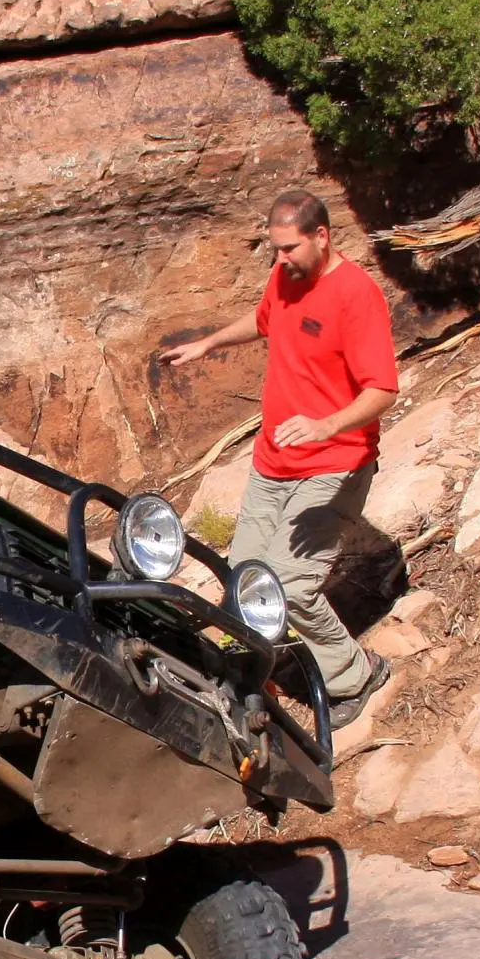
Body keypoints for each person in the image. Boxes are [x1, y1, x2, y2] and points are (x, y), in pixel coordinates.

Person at [160, 190, 397, 729]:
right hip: (273, 462)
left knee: (290, 587)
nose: (280, 259)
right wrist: (209, 343)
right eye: (274, 249)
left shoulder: (355, 295)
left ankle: (356, 676)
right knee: (244, 576)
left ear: (322, 236)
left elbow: (384, 388)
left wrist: (325, 424)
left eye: (289, 248)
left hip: (335, 462)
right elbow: (265, 320)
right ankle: (257, 671)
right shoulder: (286, 278)